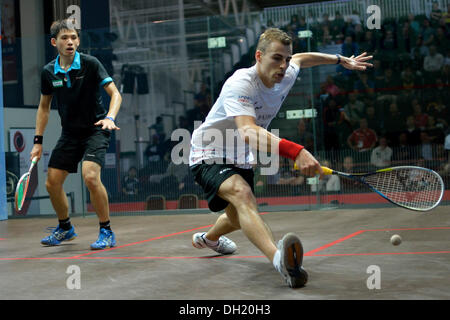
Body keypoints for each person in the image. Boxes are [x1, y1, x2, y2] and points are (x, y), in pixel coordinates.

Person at [188, 28, 372, 288]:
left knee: (236, 216)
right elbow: (249, 132)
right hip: (209, 150)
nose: (284, 65)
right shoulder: (240, 83)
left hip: (241, 155)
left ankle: (208, 239)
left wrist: (341, 60)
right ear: (258, 56)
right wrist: (296, 151)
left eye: (285, 59)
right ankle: (280, 262)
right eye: (277, 58)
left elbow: (302, 59)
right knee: (242, 195)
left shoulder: (286, 72)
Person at [30, 20, 122, 249]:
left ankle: (106, 231)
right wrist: (37, 142)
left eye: (73, 37)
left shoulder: (90, 64)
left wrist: (110, 117)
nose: (69, 42)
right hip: (70, 133)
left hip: (96, 128)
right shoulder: (48, 72)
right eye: (64, 38)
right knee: (52, 183)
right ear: (54, 42)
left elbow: (116, 95)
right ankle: (65, 228)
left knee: (90, 176)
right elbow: (43, 107)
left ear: (78, 41)